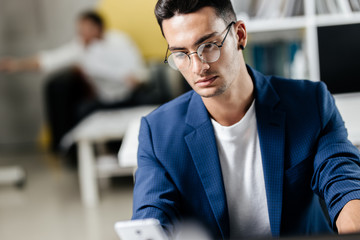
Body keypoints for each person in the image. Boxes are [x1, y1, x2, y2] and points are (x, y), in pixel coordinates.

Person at [131, 0, 360, 239]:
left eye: (208, 45)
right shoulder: (157, 132)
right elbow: (152, 214)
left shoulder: (310, 102)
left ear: (240, 35)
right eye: (180, 53)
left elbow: (343, 179)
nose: (198, 67)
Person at [0, 10, 147, 153]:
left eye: (85, 29)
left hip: (131, 96)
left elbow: (139, 74)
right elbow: (48, 60)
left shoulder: (120, 40)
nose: (81, 33)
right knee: (81, 112)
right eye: (80, 30)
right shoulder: (79, 48)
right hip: (105, 101)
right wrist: (14, 65)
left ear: (98, 27)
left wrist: (134, 79)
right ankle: (82, 154)